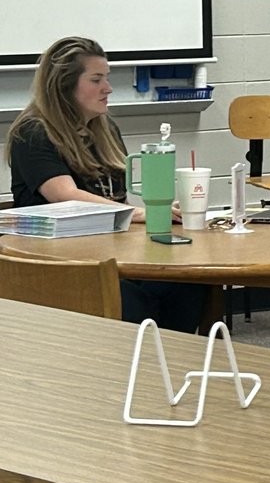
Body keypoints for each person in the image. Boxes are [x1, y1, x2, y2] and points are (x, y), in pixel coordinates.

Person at [5, 36, 206, 332]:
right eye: (96, 79)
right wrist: (141, 215)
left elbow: (117, 199)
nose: (108, 89)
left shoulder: (105, 128)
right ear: (64, 86)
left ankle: (169, 368)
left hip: (110, 251)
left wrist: (161, 210)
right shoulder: (33, 133)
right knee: (131, 300)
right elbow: (66, 197)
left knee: (188, 284)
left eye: (107, 79)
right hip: (59, 263)